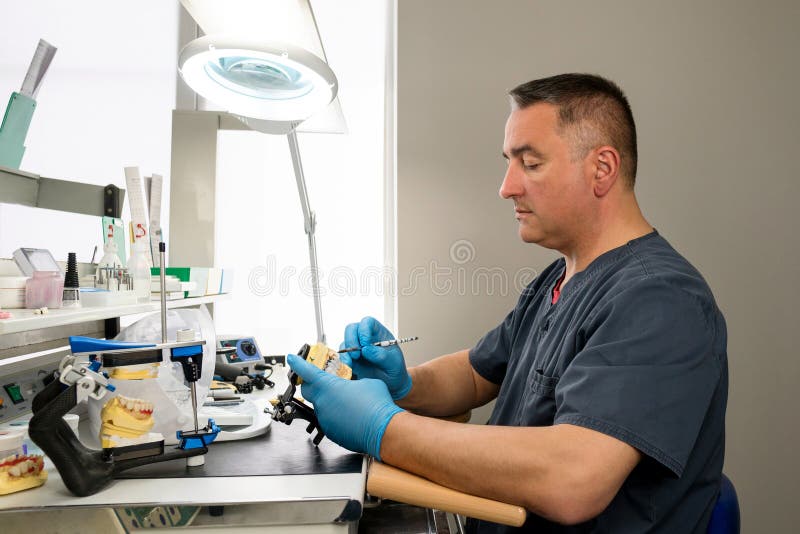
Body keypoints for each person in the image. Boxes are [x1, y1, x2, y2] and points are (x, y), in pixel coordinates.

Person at [288, 73, 728, 533]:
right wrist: (403, 384)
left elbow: (573, 480)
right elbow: (477, 373)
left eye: (530, 163)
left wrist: (384, 427)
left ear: (602, 169)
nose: (507, 186)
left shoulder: (660, 300)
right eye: (509, 163)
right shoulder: (559, 277)